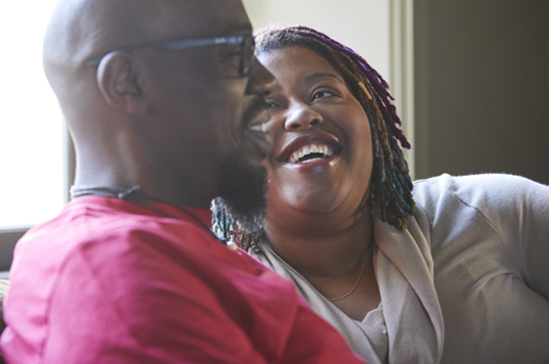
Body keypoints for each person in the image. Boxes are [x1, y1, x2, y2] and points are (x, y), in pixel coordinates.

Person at [0, 0, 363, 363]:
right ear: (128, 83)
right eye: (235, 55)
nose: (266, 84)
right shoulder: (118, 270)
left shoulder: (180, 247)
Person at [221, 25, 549, 364]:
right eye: (264, 106)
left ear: (372, 118)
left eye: (323, 93)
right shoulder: (223, 306)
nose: (302, 114)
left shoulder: (488, 211)